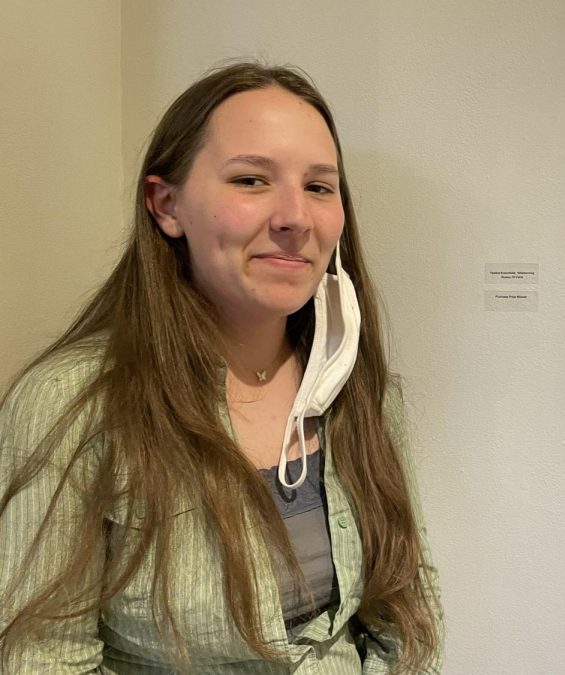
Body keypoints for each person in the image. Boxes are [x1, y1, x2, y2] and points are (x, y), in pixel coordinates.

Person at [0, 62, 442, 673]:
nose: (295, 218)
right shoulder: (71, 404)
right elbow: (39, 656)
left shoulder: (363, 396)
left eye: (319, 187)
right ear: (166, 205)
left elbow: (408, 610)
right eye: (252, 180)